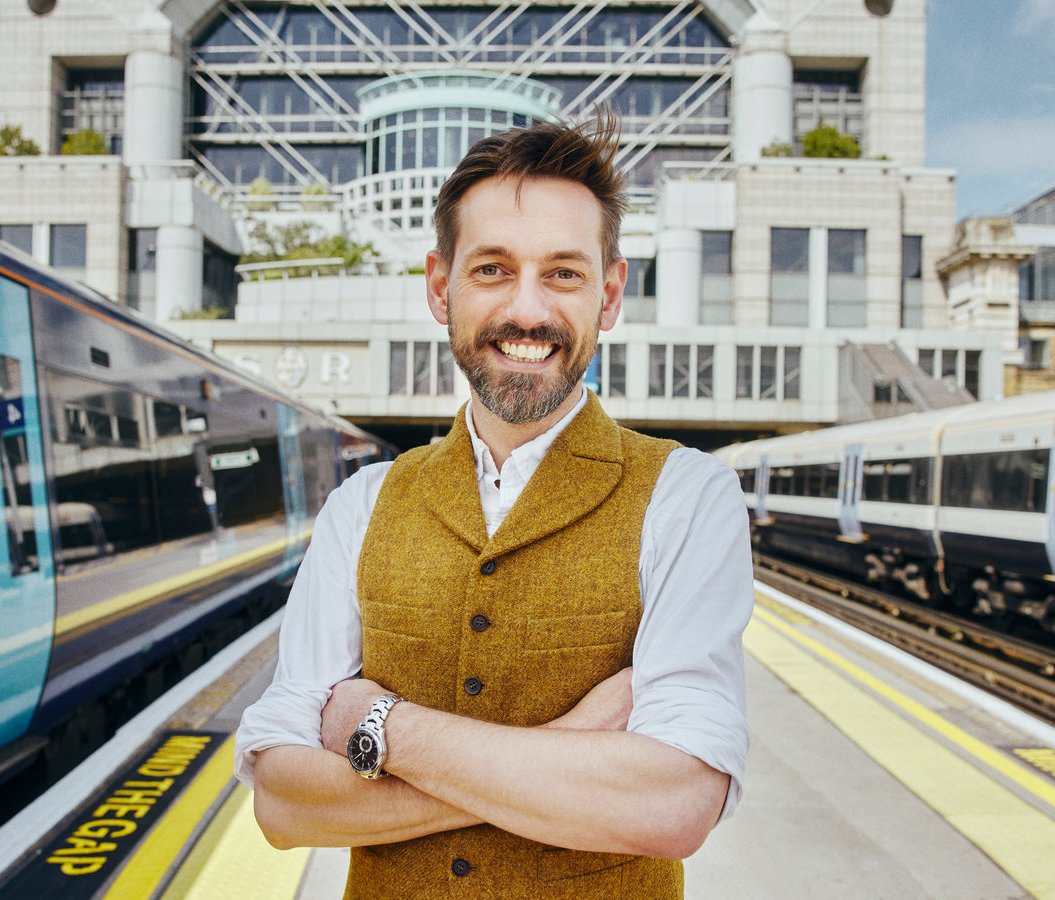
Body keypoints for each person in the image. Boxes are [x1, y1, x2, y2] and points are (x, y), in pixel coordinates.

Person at [234, 114, 752, 898]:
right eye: (493, 270)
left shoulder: (688, 495)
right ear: (441, 289)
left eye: (564, 274)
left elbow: (675, 802)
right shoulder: (362, 505)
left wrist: (377, 728)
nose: (528, 311)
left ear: (610, 296)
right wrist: (567, 748)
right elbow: (282, 802)